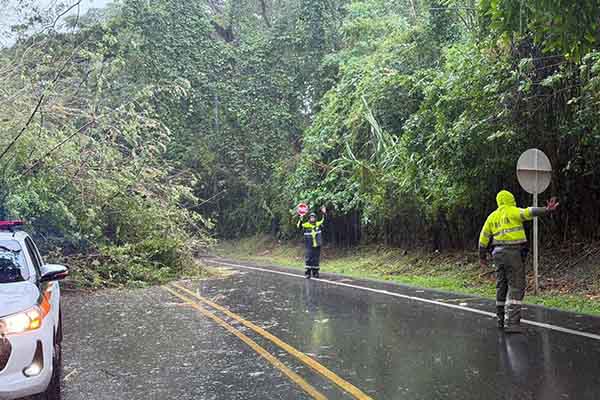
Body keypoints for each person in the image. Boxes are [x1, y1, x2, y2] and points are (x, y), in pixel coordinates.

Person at [479, 190, 559, 333]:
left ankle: (500, 319)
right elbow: (528, 212)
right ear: (511, 199)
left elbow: (483, 238)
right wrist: (546, 210)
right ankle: (513, 323)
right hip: (513, 253)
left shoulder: (492, 216)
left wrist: (482, 257)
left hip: (497, 254)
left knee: (501, 286)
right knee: (516, 286)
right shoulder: (513, 211)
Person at [298, 206, 327, 279]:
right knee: (308, 259)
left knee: (316, 259)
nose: (312, 219)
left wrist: (324, 213)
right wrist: (301, 217)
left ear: (315, 218)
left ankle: (315, 272)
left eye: (313, 218)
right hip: (309, 245)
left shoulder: (318, 224)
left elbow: (324, 220)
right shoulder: (306, 225)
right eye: (311, 218)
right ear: (309, 218)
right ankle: (307, 273)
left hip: (317, 245)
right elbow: (299, 226)